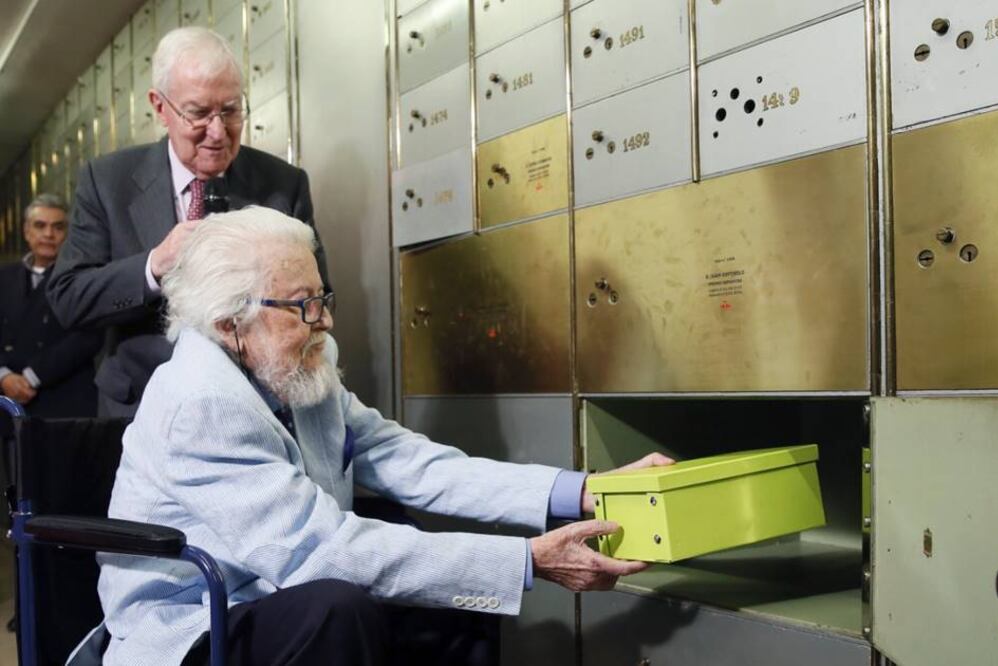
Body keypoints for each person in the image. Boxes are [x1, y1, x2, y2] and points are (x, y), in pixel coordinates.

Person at [74, 207, 672, 666]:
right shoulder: (199, 402)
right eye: (304, 305)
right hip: (198, 618)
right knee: (337, 607)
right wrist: (527, 560)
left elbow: (412, 462)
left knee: (458, 599)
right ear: (231, 322)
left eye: (322, 298)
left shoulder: (296, 366)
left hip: (274, 589)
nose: (326, 322)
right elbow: (318, 554)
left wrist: (583, 490)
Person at [47, 26, 329, 418]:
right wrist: (153, 266)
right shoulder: (108, 182)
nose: (217, 132)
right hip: (140, 407)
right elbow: (68, 296)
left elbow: (316, 299)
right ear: (160, 107)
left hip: (257, 408)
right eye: (198, 113)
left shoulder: (283, 184)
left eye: (230, 111)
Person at [0, 194, 102, 417]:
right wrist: (4, 375)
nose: (48, 234)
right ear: (27, 232)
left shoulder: (85, 277)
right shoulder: (3, 277)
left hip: (65, 404)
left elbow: (89, 335)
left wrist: (31, 376)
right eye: (40, 226)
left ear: (69, 234)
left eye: (58, 227)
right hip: (6, 403)